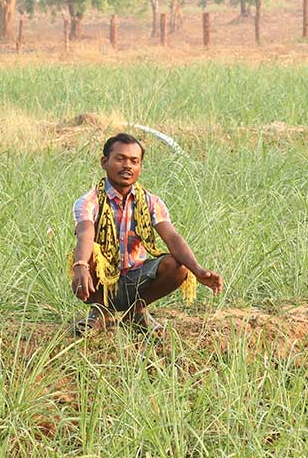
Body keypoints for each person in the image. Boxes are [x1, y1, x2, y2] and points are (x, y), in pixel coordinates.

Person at [69, 133, 222, 335]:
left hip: (137, 277)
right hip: (98, 281)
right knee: (91, 253)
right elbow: (85, 234)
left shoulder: (151, 202)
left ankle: (136, 311)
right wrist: (80, 266)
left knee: (178, 266)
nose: (127, 166)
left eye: (134, 161)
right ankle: (100, 312)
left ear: (140, 166)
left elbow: (172, 237)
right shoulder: (90, 201)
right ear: (104, 162)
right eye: (120, 158)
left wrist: (197, 270)